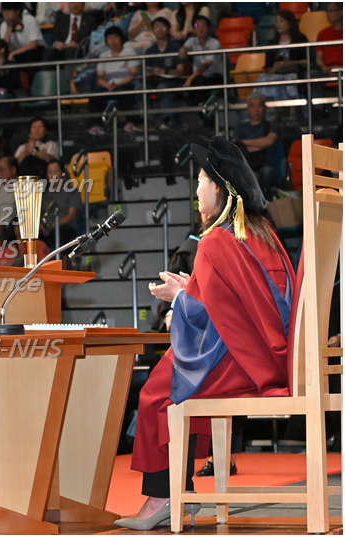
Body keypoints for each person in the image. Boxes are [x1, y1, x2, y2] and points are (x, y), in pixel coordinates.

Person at [116, 136, 295, 530]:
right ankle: (176, 492)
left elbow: (208, 313)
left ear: (219, 187)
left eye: (199, 181)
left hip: (246, 364)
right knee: (169, 382)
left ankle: (164, 497)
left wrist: (179, 299)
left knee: (157, 391)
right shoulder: (265, 235)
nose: (196, 190)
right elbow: (238, 304)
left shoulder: (216, 240)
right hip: (276, 357)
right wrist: (190, 290)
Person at [89, 26, 141, 135]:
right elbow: (100, 77)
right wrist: (108, 85)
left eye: (115, 37)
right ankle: (97, 125)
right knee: (94, 95)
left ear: (121, 38)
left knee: (126, 94)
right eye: (110, 38)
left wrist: (118, 84)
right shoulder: (104, 55)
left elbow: (133, 73)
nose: (113, 41)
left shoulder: (129, 52)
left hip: (126, 83)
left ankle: (132, 122)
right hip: (109, 86)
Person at [232, 93, 280, 193]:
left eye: (259, 105)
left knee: (267, 172)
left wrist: (243, 143)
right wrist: (261, 144)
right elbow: (236, 147)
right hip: (245, 166)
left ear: (265, 108)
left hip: (265, 165)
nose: (256, 110)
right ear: (248, 109)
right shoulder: (240, 127)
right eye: (253, 106)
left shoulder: (271, 126)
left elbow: (269, 141)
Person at [145, 17, 185, 129]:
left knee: (163, 87)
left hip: (172, 81)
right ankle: (148, 121)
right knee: (139, 87)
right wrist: (150, 72)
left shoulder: (175, 47)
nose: (160, 30)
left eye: (163, 27)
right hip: (154, 80)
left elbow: (180, 71)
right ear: (152, 31)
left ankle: (168, 120)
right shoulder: (150, 50)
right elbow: (146, 70)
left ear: (168, 30)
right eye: (156, 27)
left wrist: (164, 71)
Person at [178, 15, 222, 103]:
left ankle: (201, 105)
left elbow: (206, 64)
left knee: (197, 82)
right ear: (194, 30)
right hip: (198, 77)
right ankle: (200, 105)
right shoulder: (192, 40)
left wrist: (190, 78)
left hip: (214, 77)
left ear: (209, 28)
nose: (200, 28)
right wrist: (183, 51)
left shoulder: (214, 43)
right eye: (197, 25)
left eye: (203, 25)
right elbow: (185, 47)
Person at [40, 160, 83, 247]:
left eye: (56, 171)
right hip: (46, 229)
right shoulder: (43, 194)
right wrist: (41, 227)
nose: (53, 175)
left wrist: (53, 226)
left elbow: (72, 215)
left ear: (63, 173)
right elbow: (38, 214)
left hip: (66, 228)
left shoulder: (72, 191)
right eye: (50, 172)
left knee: (62, 234)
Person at [316, 3, 343, 74]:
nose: (328, 14)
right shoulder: (322, 33)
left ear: (341, 12)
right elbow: (319, 59)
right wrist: (325, 68)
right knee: (312, 74)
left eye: (331, 11)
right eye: (327, 11)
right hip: (328, 70)